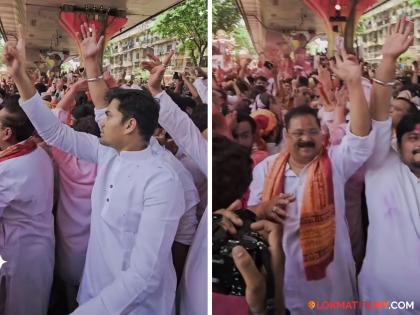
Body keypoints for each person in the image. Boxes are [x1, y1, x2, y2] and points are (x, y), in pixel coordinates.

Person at [4, 24, 185, 314]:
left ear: (129, 125)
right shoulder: (110, 153)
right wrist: (20, 77)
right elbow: (55, 133)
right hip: (93, 290)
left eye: (109, 115)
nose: (102, 119)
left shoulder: (163, 181)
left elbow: (144, 274)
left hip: (135, 306)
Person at [247, 48, 375, 314]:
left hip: (332, 285)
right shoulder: (267, 169)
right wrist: (264, 208)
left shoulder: (336, 163)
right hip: (285, 283)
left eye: (312, 132)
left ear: (322, 134)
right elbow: (250, 217)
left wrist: (354, 83)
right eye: (298, 133)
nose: (305, 138)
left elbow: (361, 140)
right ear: (286, 136)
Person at [359, 17, 420, 315]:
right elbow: (378, 114)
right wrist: (388, 59)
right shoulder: (382, 164)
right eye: (413, 137)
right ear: (398, 142)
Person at [0, 95, 54, 315]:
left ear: (7, 133)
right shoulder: (35, 149)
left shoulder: (8, 169)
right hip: (36, 247)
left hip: (22, 254)